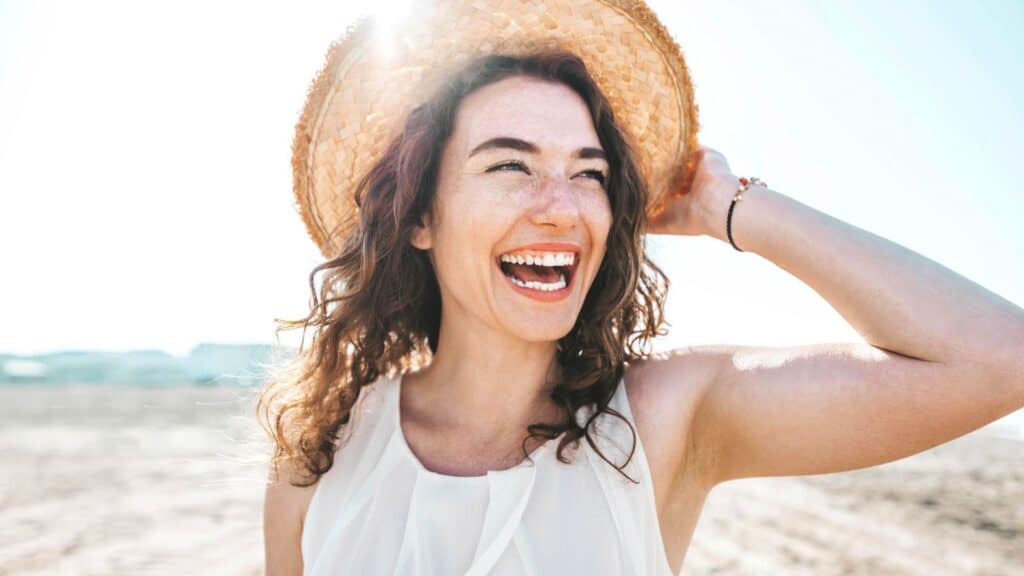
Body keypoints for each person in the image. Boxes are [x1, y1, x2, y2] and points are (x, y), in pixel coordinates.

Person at [261, 2, 1024, 575]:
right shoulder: (321, 457)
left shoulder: (664, 420)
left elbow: (1000, 358)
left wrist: (730, 207)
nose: (562, 208)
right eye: (511, 165)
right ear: (420, 217)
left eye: (589, 174)